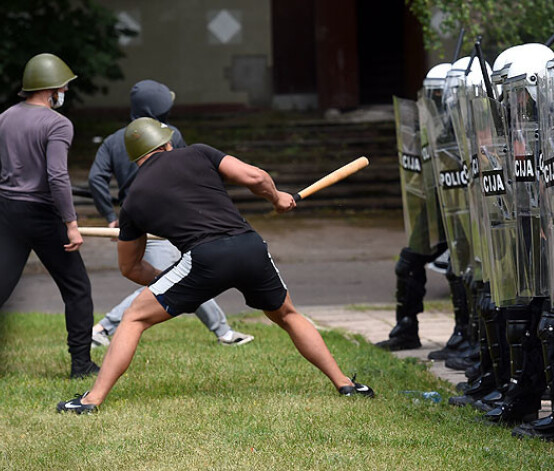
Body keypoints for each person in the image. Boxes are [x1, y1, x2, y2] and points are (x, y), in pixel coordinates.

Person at [57, 117, 374, 412]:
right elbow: (256, 177)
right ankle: (345, 384)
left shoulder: (134, 199)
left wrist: (169, 283)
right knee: (288, 315)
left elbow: (131, 268)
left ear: (135, 158)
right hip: (250, 247)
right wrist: (277, 198)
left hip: (204, 260)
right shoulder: (198, 153)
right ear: (168, 143)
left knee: (134, 318)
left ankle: (92, 399)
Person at [87, 79, 253, 347]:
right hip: (173, 219)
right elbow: (187, 174)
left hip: (136, 219)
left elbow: (96, 180)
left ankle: (223, 332)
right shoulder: (170, 135)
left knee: (186, 273)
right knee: (168, 278)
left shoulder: (114, 140)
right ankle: (102, 328)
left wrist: (111, 217)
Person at [0, 53, 98, 378]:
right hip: (41, 215)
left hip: (7, 211)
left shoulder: (5, 117)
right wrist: (72, 225)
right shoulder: (57, 124)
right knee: (77, 289)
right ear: (50, 89)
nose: (65, 94)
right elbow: (57, 177)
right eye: (64, 88)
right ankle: (82, 366)